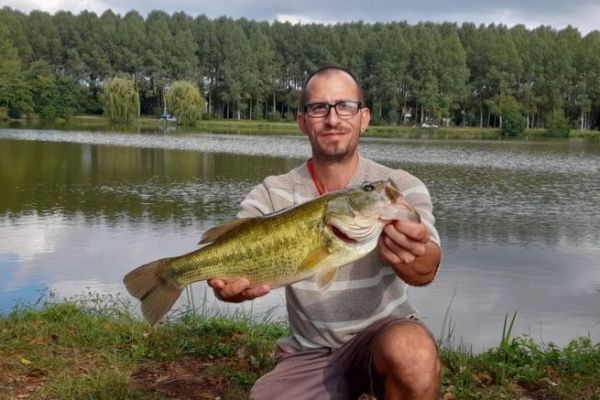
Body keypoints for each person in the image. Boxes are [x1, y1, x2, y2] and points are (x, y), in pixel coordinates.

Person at [208, 65, 442, 400]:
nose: (333, 119)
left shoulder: (396, 187)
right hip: (309, 352)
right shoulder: (272, 193)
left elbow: (427, 266)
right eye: (319, 108)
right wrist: (225, 285)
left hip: (384, 337)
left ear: (364, 117)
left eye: (345, 106)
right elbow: (233, 248)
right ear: (303, 121)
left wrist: (415, 251)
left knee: (413, 353)